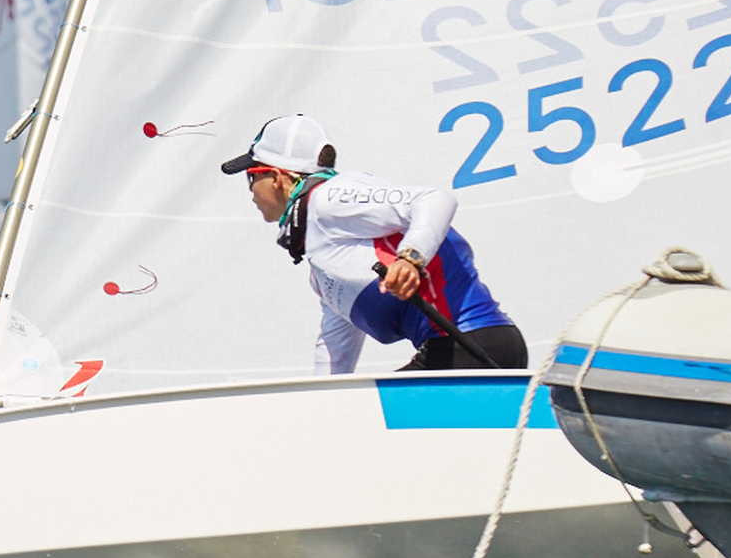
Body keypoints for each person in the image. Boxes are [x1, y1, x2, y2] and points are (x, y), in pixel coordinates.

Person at [220, 114, 525, 374]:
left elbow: (435, 200)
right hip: (454, 355)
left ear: (276, 177)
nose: (250, 192)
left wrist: (410, 259)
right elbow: (334, 355)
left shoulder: (331, 197)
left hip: (475, 348)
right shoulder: (322, 266)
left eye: (251, 177)